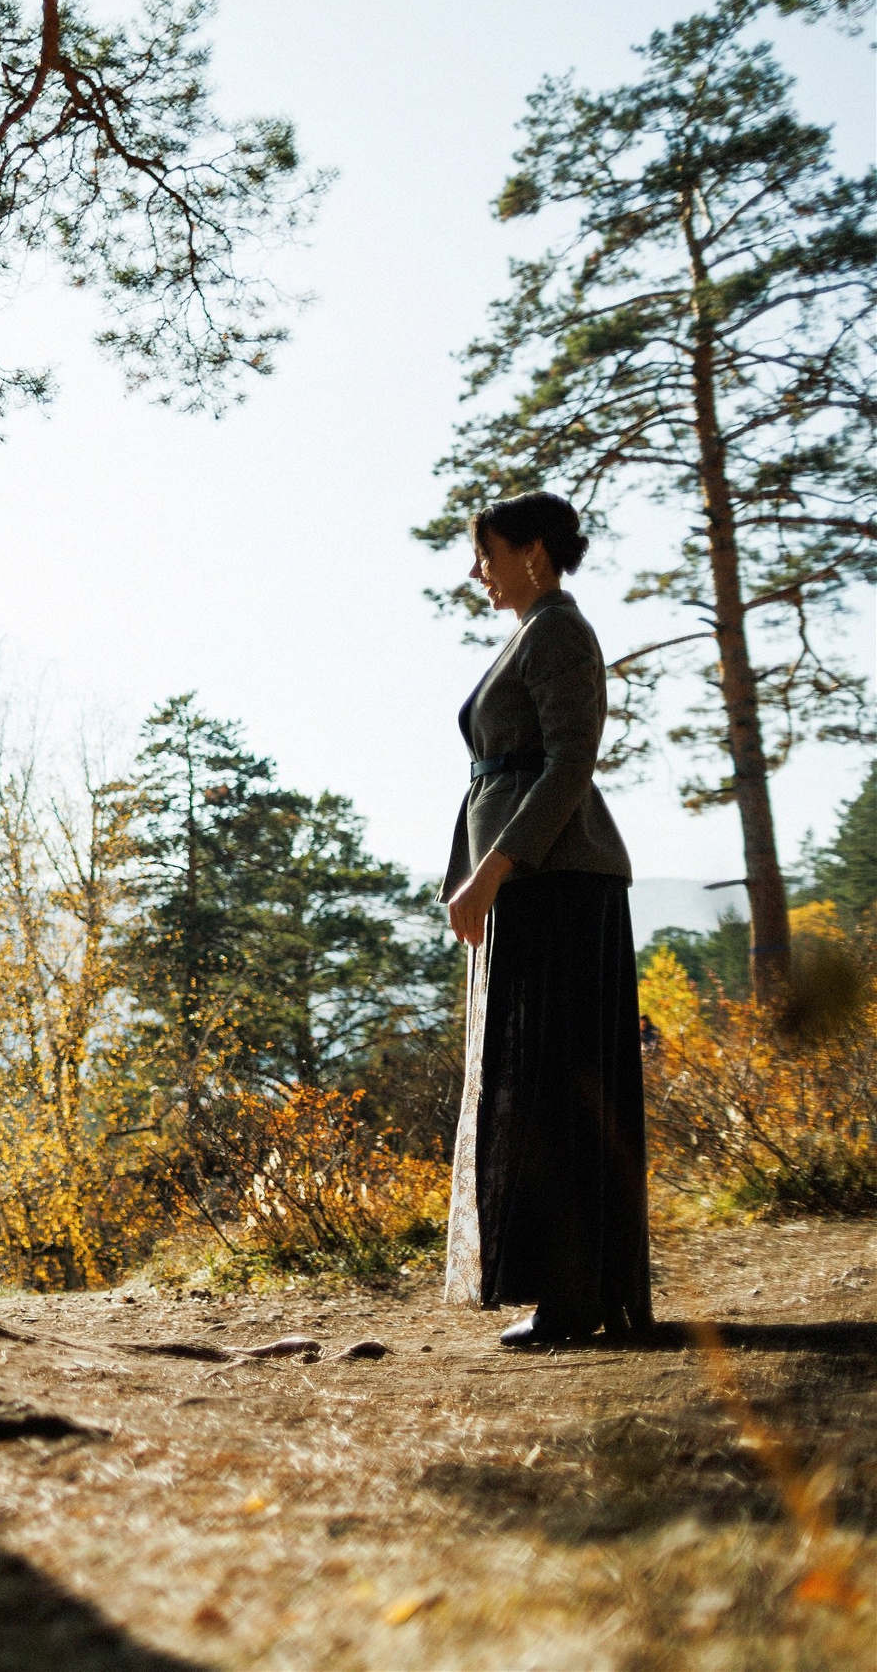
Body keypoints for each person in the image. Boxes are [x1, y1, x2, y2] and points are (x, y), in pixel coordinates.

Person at [439, 492, 650, 1348]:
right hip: (538, 886)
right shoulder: (531, 633)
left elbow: (569, 764)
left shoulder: (559, 629)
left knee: (556, 1093)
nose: (476, 570)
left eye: (485, 551)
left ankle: (573, 1296)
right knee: (537, 1090)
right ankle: (568, 1289)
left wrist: (491, 871)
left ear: (532, 550)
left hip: (559, 886)